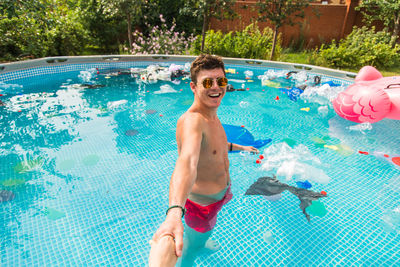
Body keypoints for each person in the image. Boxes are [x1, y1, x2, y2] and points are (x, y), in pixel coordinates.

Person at [150, 54, 259, 267]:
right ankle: (193, 251)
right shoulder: (193, 121)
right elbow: (187, 162)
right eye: (208, 82)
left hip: (216, 197)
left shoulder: (212, 113)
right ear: (193, 86)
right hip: (202, 207)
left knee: (202, 235)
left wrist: (241, 147)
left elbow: (217, 147)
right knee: (191, 248)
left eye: (221, 81)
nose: (216, 87)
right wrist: (174, 212)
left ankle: (200, 239)